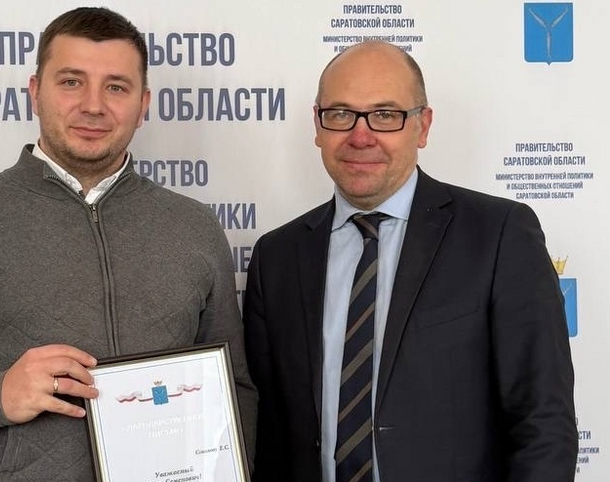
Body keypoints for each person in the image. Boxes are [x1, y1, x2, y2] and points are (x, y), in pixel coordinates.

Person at [0, 7, 256, 481]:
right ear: (35, 91)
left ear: (143, 104)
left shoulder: (194, 225)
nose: (93, 106)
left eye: (116, 87)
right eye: (71, 82)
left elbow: (233, 388)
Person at [243, 41, 576, 482]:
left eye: (385, 115)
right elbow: (269, 436)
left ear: (423, 126)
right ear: (318, 125)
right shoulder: (276, 258)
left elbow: (543, 424)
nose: (360, 136)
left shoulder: (499, 235)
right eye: (341, 114)